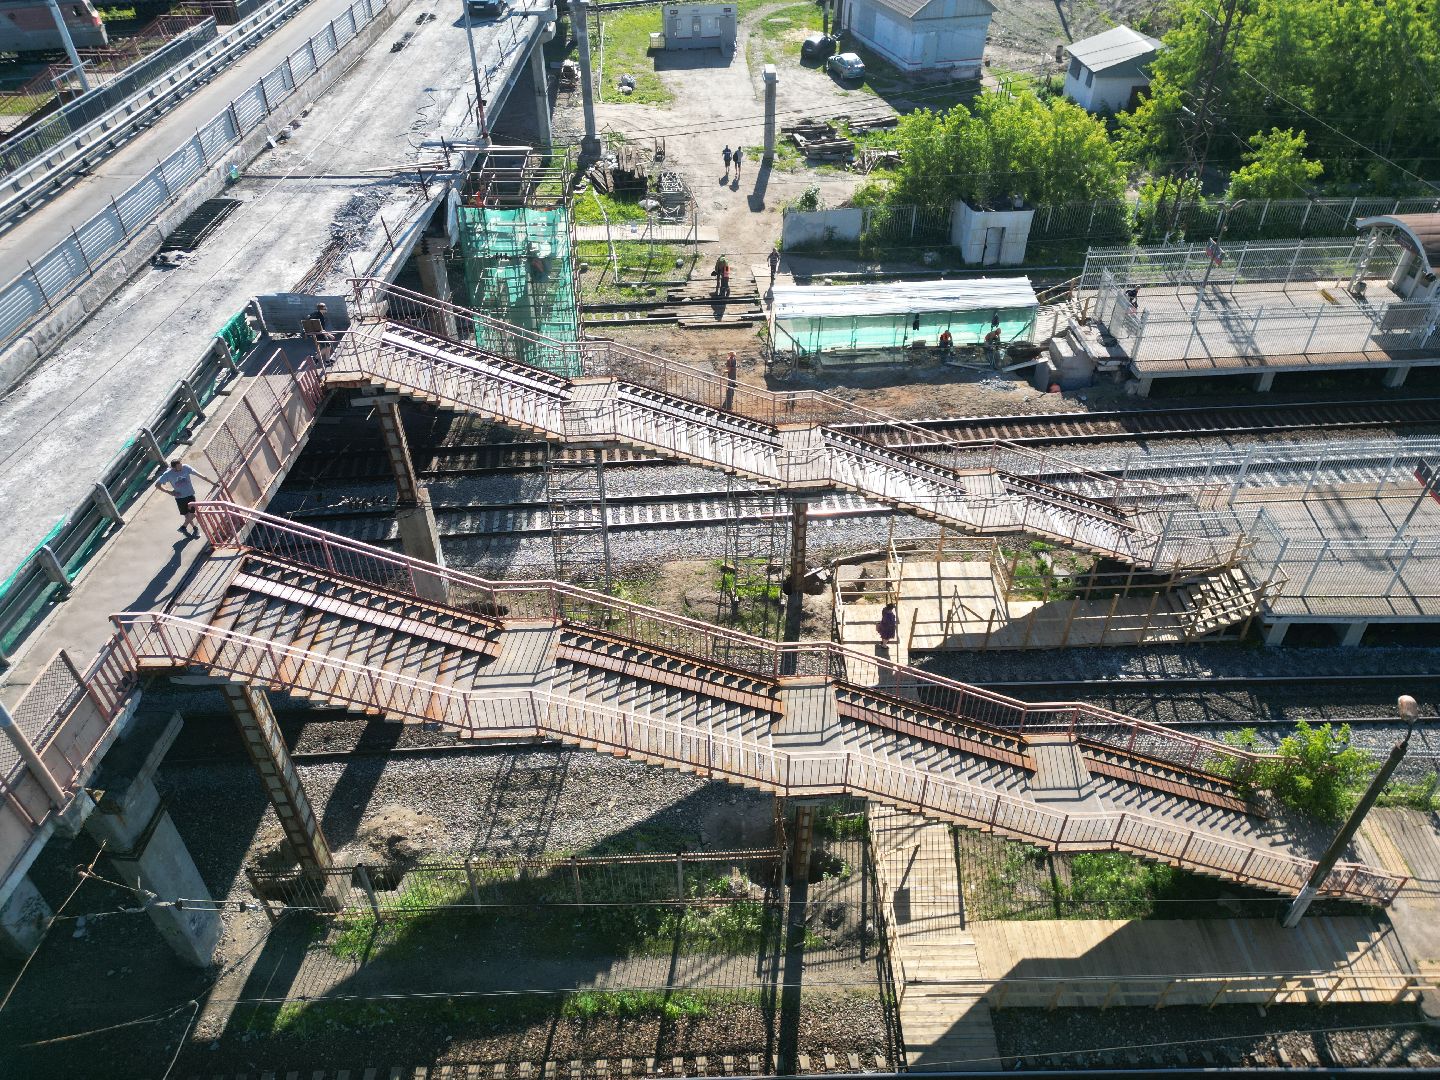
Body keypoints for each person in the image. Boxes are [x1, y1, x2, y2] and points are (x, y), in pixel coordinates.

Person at [156, 458, 213, 535]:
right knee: (187, 516)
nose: (181, 467)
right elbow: (157, 485)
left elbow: (200, 475)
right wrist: (169, 492)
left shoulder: (185, 467)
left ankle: (183, 527)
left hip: (190, 495)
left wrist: (213, 483)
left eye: (181, 465)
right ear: (173, 468)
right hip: (180, 498)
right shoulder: (168, 474)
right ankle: (194, 528)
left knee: (192, 514)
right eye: (179, 467)